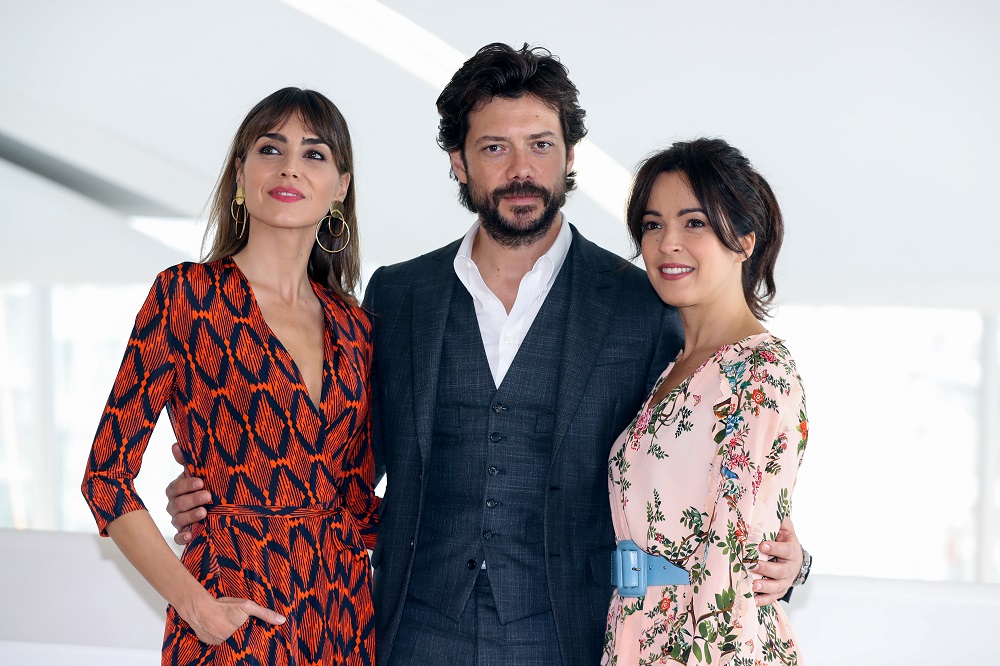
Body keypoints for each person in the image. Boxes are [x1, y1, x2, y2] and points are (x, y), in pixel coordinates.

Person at [167, 45, 806, 665]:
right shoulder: (399, 293)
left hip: (570, 634)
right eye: (495, 148)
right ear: (458, 162)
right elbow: (343, 454)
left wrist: (792, 557)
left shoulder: (641, 304)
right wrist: (224, 488)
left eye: (541, 145)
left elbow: (692, 459)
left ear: (570, 156)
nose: (520, 169)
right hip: (411, 631)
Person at [81, 87, 380, 665]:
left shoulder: (357, 327)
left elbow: (355, 497)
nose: (290, 165)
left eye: (314, 153)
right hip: (234, 615)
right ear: (240, 173)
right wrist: (197, 607)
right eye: (271, 148)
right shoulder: (187, 296)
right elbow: (105, 477)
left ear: (340, 187)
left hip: (344, 622)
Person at [604, 139, 806, 664]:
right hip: (639, 634)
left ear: (743, 240)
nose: (668, 242)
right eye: (652, 224)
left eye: (694, 222)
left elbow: (731, 574)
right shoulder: (678, 366)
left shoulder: (756, 373)